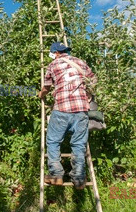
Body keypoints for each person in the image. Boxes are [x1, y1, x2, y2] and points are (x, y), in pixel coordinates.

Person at [38, 42, 97, 190]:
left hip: (62, 109)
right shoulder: (79, 62)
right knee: (79, 144)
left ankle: (57, 175)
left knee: (53, 140)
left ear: (54, 53)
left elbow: (46, 87)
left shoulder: (53, 65)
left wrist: (41, 95)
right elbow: (94, 79)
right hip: (81, 109)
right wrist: (88, 93)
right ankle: (79, 180)